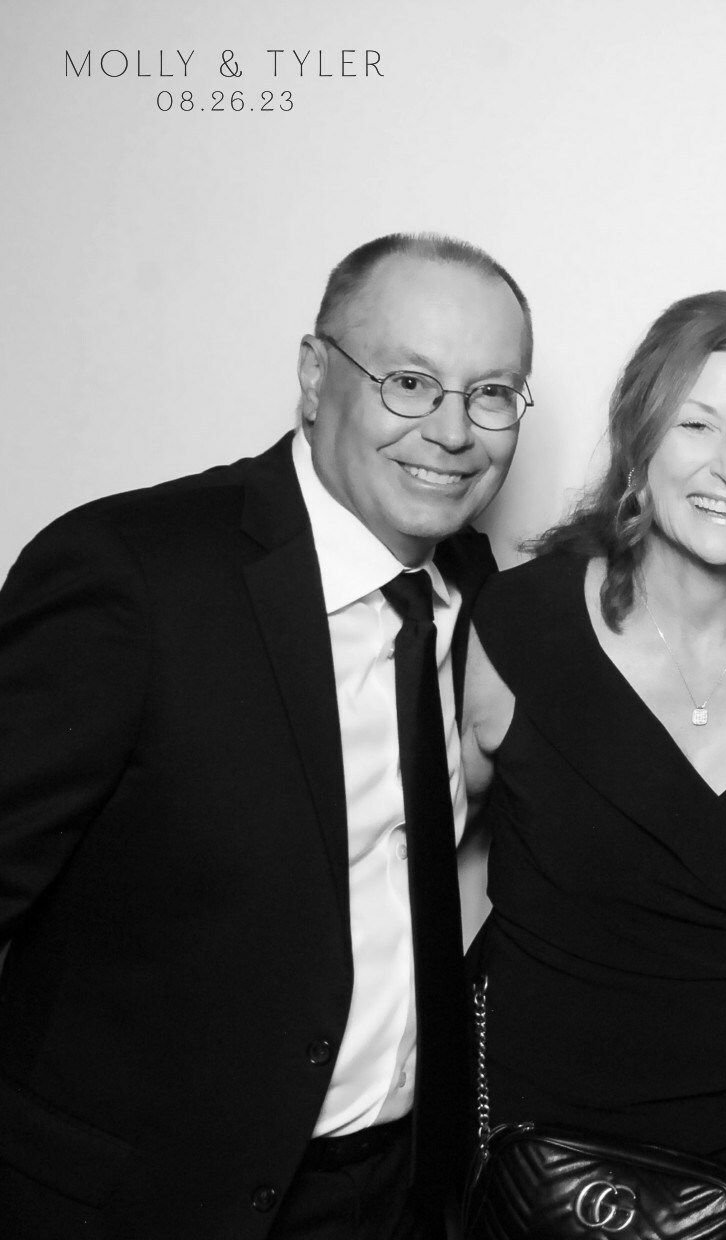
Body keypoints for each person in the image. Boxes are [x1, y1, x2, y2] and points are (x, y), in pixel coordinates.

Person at [0, 233, 532, 1237]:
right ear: (315, 375)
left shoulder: (480, 594)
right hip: (139, 1205)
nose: (454, 431)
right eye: (410, 382)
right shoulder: (131, 575)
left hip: (394, 1197)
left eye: (492, 393)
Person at [458, 291, 726, 1237]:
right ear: (639, 439)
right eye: (696, 424)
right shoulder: (516, 626)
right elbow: (401, 868)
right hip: (527, 1185)